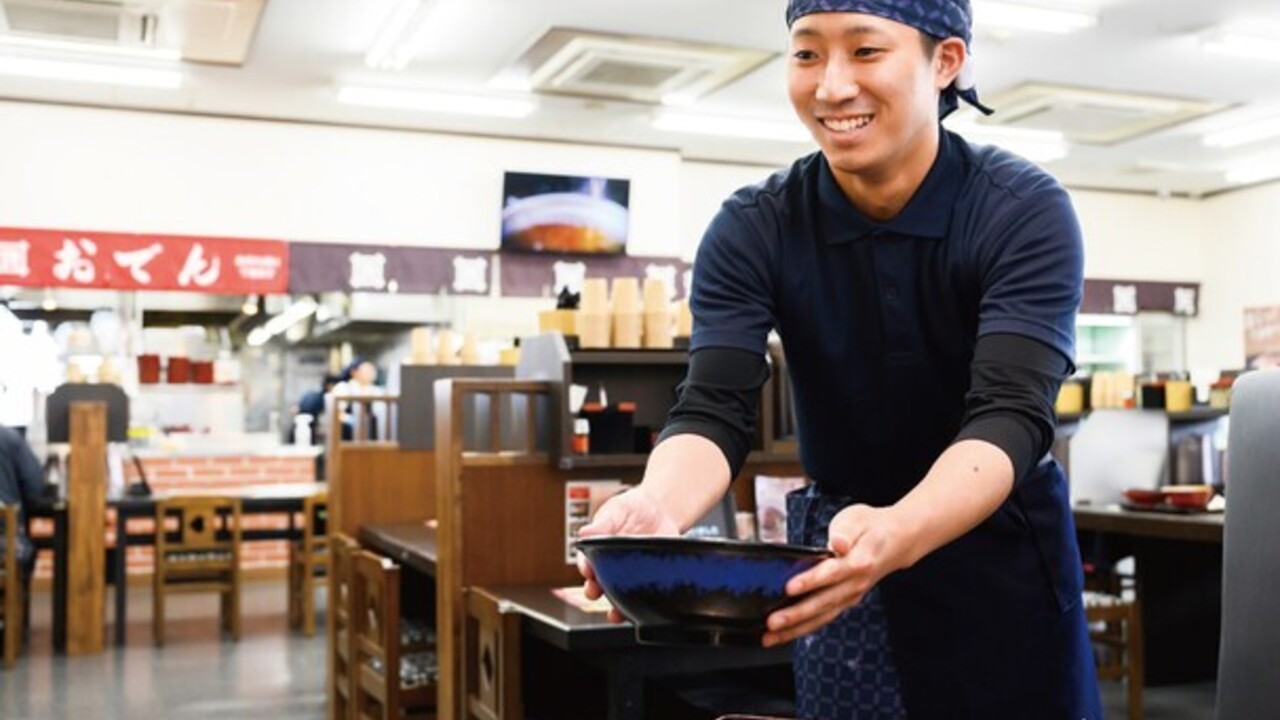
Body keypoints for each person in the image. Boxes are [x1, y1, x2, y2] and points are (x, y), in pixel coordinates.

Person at [579, 1, 1102, 718]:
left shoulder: (1020, 210)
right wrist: (657, 504)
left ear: (946, 61)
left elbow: (1011, 413)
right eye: (806, 54)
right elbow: (713, 408)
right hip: (839, 548)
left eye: (865, 51)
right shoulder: (755, 225)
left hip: (997, 550)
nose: (830, 87)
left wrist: (900, 529)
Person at [0, 424, 46, 601]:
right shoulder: (10, 438)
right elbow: (34, 489)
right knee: (20, 551)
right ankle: (12, 608)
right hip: (5, 543)